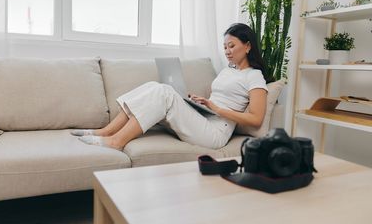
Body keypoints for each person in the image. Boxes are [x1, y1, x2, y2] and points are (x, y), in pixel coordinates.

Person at [71, 23, 269, 151]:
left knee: (164, 92)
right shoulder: (228, 71)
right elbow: (219, 99)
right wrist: (200, 103)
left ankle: (116, 141)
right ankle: (105, 131)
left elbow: (256, 119)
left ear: (248, 46)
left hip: (216, 133)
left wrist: (217, 109)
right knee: (154, 86)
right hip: (205, 118)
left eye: (232, 46)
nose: (227, 51)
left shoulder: (254, 76)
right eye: (225, 47)